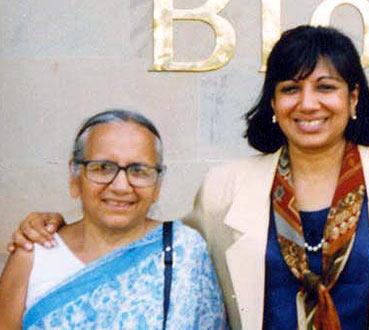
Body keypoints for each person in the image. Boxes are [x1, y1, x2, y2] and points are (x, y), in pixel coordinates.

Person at [8, 26, 369, 329]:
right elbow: (153, 247)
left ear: (354, 99)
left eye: (325, 87)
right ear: (272, 104)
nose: (307, 104)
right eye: (290, 89)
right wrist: (59, 228)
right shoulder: (225, 189)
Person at [0, 110, 224, 329]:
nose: (120, 186)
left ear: (157, 185)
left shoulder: (184, 250)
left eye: (138, 170)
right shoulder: (33, 254)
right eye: (103, 168)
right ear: (75, 177)